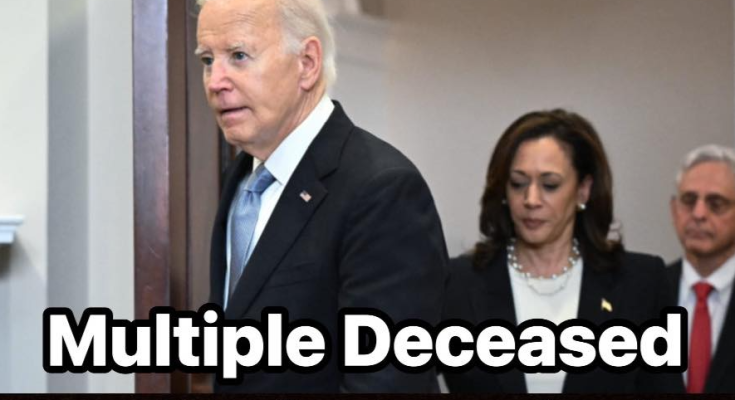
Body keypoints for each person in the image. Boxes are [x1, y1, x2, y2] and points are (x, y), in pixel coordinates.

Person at [196, 0, 448, 393]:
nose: (215, 81)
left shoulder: (382, 189)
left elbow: (386, 383)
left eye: (239, 56)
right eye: (208, 60)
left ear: (307, 63)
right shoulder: (240, 179)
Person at [442, 109, 681, 393]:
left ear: (583, 190)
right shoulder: (457, 282)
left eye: (550, 185)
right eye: (518, 183)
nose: (531, 199)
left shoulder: (642, 282)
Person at [668, 144, 735, 394]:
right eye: (689, 200)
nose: (698, 214)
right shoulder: (645, 291)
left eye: (716, 203)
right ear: (674, 210)